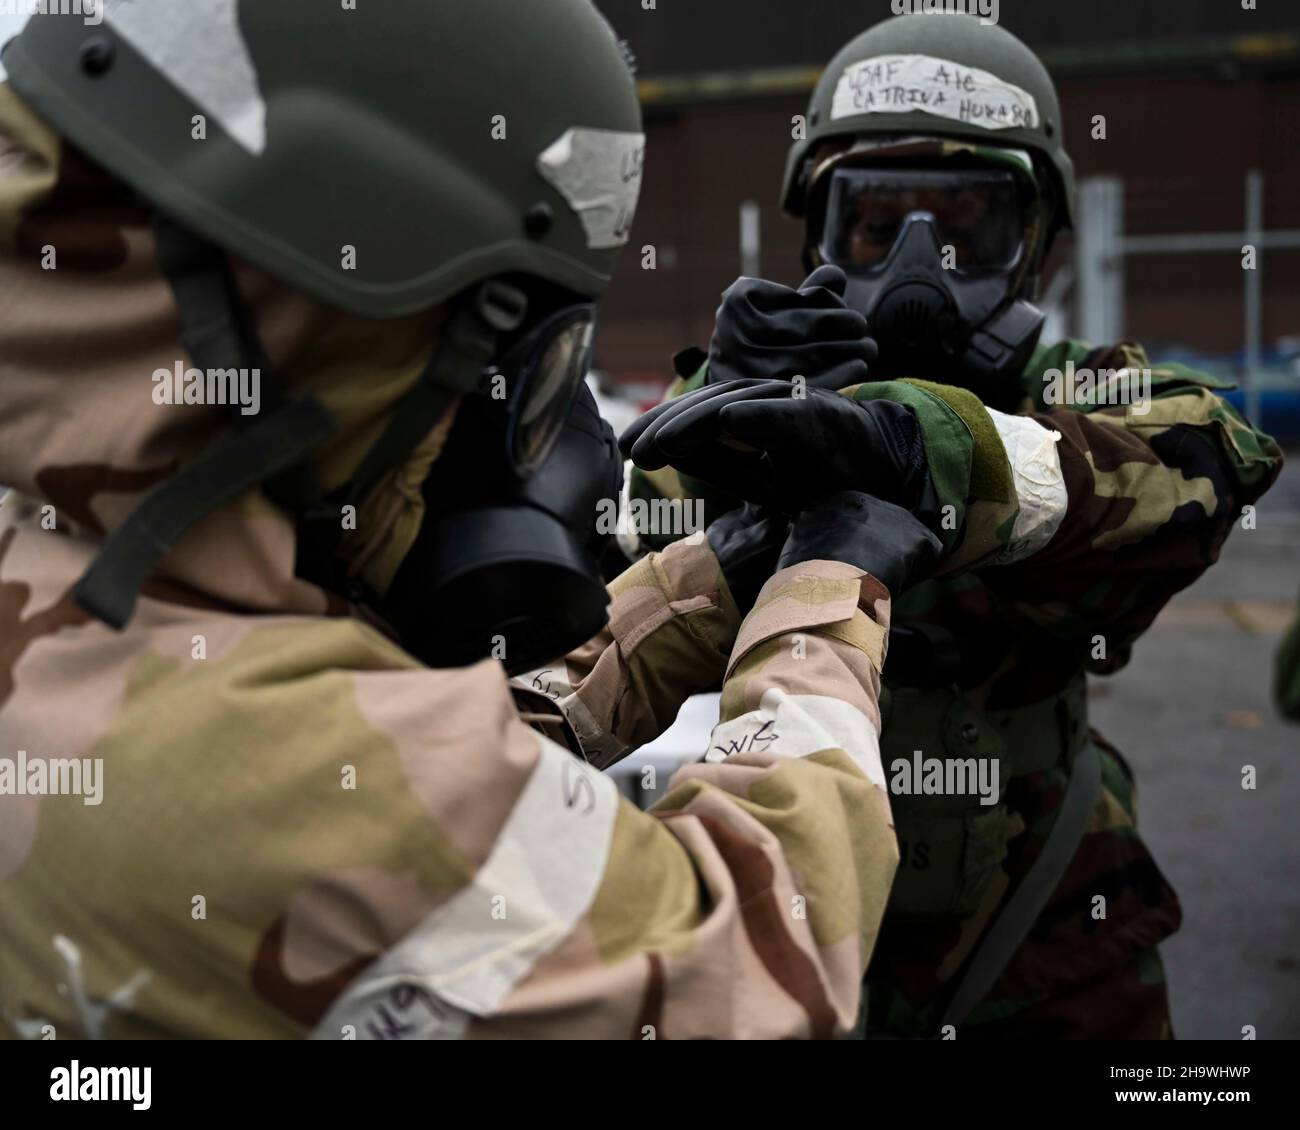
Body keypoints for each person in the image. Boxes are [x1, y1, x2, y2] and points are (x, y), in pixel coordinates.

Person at [0, 0, 941, 1040]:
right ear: (343, 327)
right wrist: (823, 603)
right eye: (524, 371)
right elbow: (766, 966)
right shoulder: (283, 768)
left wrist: (703, 585)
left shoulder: (75, 560)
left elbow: (453, 772)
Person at [623, 12, 1284, 1038]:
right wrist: (725, 410)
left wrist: (924, 446)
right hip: (782, 915)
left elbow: (1213, 457)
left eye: (970, 225)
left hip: (1043, 927)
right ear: (817, 237)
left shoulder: (1063, 391)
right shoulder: (758, 405)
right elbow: (606, 563)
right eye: (878, 223)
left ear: (1036, 243)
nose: (921, 263)